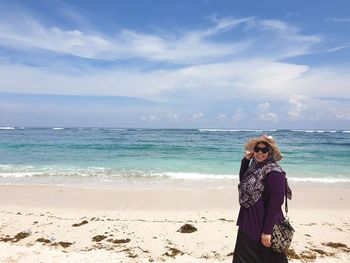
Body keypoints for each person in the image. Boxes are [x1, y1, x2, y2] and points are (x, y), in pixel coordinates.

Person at [232, 135, 289, 263]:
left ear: (271, 152)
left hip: (264, 226)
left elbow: (276, 203)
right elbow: (244, 182)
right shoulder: (254, 168)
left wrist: (267, 231)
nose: (260, 153)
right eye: (257, 149)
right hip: (247, 224)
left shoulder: (275, 172)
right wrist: (246, 161)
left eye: (264, 150)